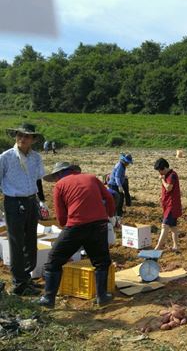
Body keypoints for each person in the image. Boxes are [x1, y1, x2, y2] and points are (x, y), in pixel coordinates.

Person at [37, 162, 115, 307]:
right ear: (73, 170)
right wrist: (109, 215)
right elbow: (109, 198)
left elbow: (61, 217)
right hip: (99, 224)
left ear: (58, 175)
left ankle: (48, 299)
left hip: (77, 226)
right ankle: (102, 296)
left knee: (53, 261)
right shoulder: (92, 178)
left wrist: (67, 227)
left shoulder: (59, 185)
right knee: (101, 261)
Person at [0, 123, 48, 296]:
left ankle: (26, 277)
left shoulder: (35, 157)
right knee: (17, 242)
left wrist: (41, 200)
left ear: (33, 140)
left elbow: (38, 180)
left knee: (30, 241)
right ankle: (19, 283)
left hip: (30, 201)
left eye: (26, 136)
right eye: (19, 135)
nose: (22, 139)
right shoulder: (6, 157)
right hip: (14, 202)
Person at [153, 158, 182, 252]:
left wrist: (162, 180)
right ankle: (176, 247)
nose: (159, 173)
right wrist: (162, 197)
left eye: (160, 170)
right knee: (173, 227)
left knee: (164, 225)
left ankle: (158, 247)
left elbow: (168, 188)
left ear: (165, 167)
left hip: (172, 205)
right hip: (168, 203)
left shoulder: (172, 175)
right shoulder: (167, 175)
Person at [107, 153, 133, 219]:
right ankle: (117, 214)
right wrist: (119, 186)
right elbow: (117, 177)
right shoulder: (120, 166)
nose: (128, 164)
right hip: (114, 185)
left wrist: (124, 177)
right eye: (127, 162)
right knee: (118, 199)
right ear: (124, 161)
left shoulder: (122, 166)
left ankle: (118, 212)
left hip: (116, 184)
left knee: (121, 197)